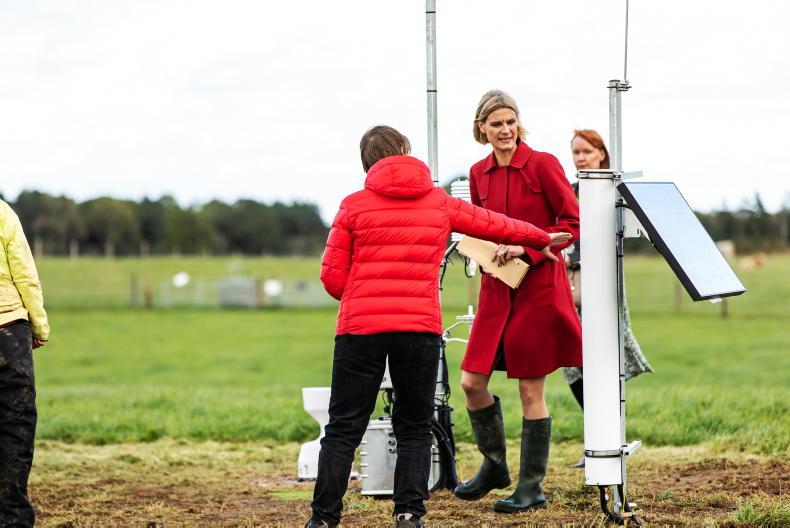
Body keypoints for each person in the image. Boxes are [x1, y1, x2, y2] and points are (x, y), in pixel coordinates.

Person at [307, 125, 570, 528]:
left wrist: (363, 298)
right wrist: (540, 238)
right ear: (406, 151)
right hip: (419, 330)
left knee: (343, 427)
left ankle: (324, 518)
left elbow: (331, 277)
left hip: (360, 330)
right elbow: (496, 224)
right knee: (414, 426)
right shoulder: (439, 202)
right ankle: (409, 513)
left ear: (367, 163)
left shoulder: (352, 206)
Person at [453, 90, 581, 513]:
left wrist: (528, 247)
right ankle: (494, 466)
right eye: (496, 124)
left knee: (530, 389)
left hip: (538, 289)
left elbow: (571, 224)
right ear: (482, 129)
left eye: (510, 121)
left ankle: (531, 487)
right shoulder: (478, 173)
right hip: (496, 288)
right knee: (471, 382)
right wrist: (481, 248)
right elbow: (480, 226)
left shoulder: (543, 164)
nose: (506, 130)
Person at [564, 129, 653, 467]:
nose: (581, 158)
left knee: (605, 357)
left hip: (603, 286)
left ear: (601, 153)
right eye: (576, 152)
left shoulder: (614, 191)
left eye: (586, 151)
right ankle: (597, 435)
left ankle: (609, 437)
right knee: (572, 364)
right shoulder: (569, 191)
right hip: (572, 288)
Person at [0, 199, 49, 527]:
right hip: (8, 331)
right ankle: (13, 518)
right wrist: (39, 325)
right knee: (15, 425)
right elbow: (25, 274)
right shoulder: (2, 213)